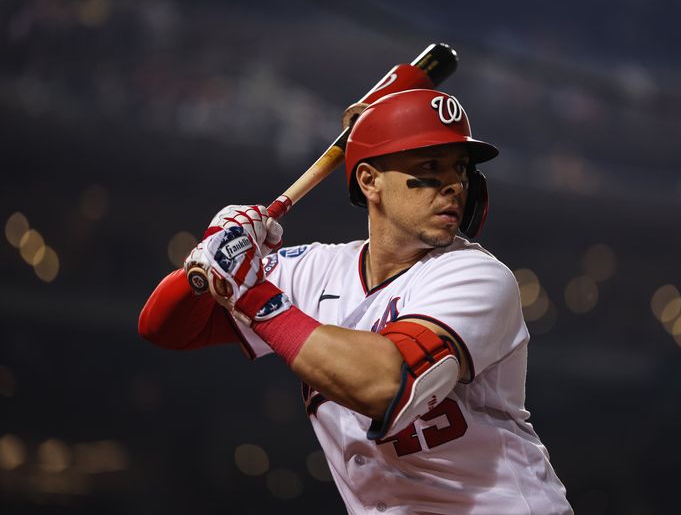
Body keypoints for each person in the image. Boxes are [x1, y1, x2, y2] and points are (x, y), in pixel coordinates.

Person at [139, 88, 573, 514]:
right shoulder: (314, 269)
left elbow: (384, 386)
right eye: (429, 166)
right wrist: (209, 260)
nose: (453, 186)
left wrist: (252, 292)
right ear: (369, 181)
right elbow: (166, 328)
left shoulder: (476, 276)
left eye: (459, 168)